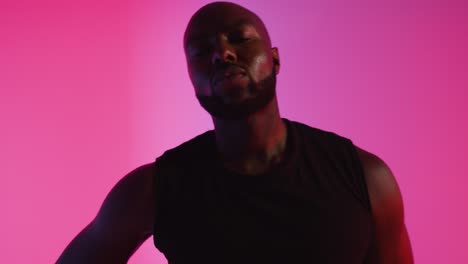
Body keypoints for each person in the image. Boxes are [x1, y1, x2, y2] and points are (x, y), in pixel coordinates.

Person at [57, 2, 413, 263]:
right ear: (190, 78)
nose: (222, 54)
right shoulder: (154, 189)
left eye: (240, 39)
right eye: (201, 51)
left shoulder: (364, 177)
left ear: (274, 59)